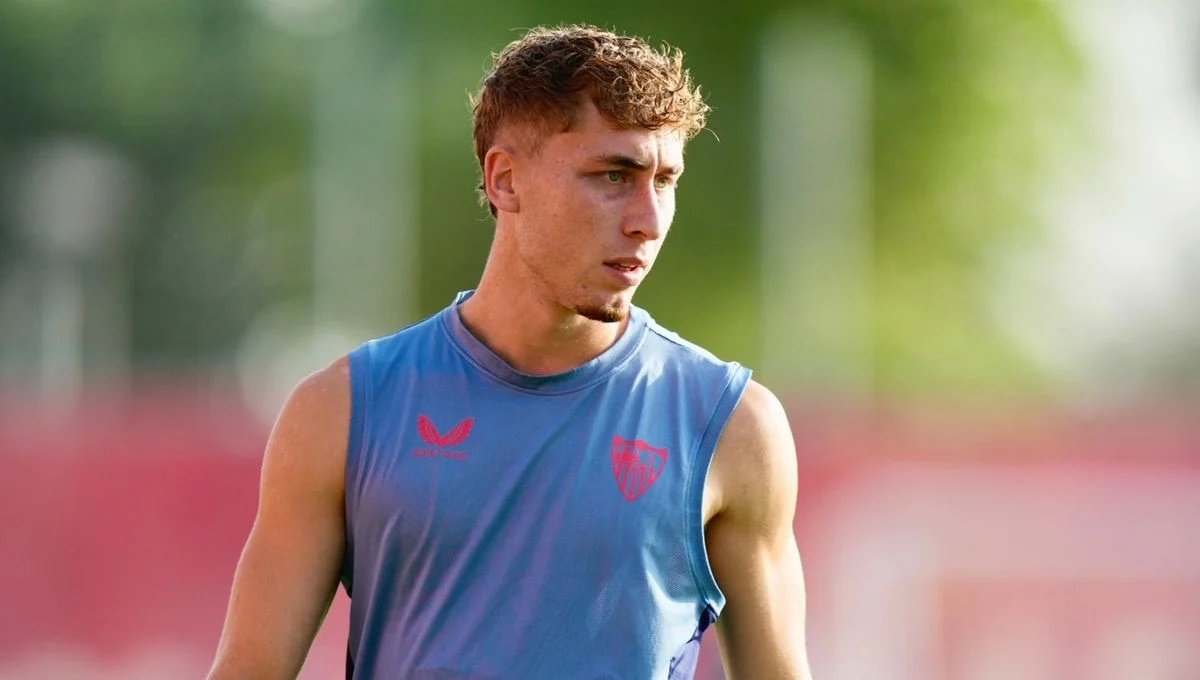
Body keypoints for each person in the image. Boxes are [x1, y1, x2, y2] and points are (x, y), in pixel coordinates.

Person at [208, 24, 812, 680]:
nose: (649, 219)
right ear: (505, 181)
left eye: (664, 180)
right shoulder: (342, 412)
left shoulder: (731, 426)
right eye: (614, 175)